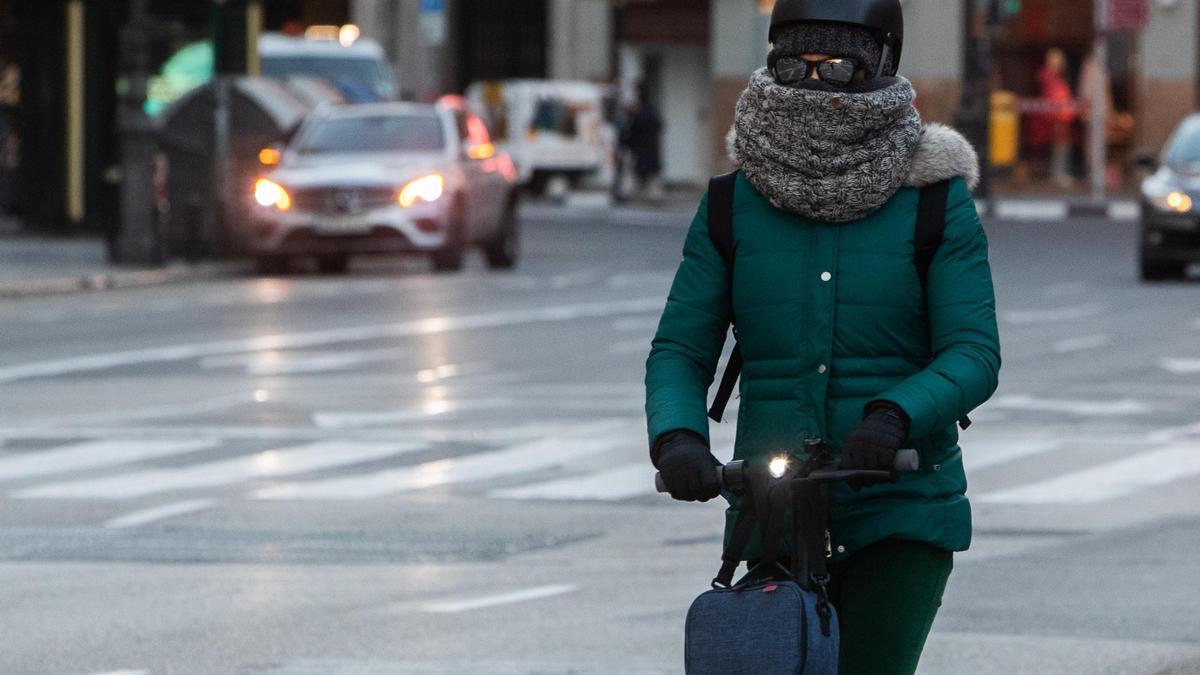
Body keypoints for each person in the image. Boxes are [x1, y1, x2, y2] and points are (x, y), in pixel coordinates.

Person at [644, 1, 1001, 674]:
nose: (812, 83)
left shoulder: (934, 199)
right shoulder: (732, 200)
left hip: (900, 509)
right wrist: (678, 437)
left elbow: (974, 351)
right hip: (773, 511)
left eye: (835, 66)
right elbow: (680, 349)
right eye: (792, 65)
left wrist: (896, 414)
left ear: (877, 68)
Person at [621, 84, 664, 203]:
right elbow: (659, 125)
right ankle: (653, 196)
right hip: (649, 149)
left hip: (641, 149)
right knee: (649, 175)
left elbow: (632, 131)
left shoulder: (639, 114)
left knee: (639, 174)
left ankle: (639, 195)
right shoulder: (651, 111)